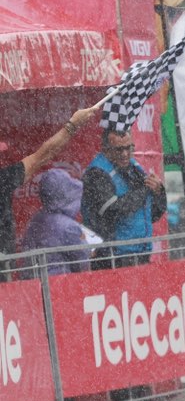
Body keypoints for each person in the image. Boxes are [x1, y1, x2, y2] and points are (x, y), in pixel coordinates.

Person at [0, 105, 99, 279]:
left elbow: (41, 156)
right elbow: (42, 155)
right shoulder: (4, 179)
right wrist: (72, 125)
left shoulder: (36, 220)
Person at [81, 129, 167, 269]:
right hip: (112, 259)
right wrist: (146, 190)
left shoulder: (133, 167)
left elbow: (153, 214)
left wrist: (159, 192)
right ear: (106, 149)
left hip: (140, 255)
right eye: (119, 149)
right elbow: (113, 211)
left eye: (129, 148)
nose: (125, 154)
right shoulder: (97, 173)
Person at [19, 168, 91, 276]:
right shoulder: (69, 227)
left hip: (33, 283)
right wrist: (90, 251)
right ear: (66, 193)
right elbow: (82, 261)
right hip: (60, 285)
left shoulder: (36, 219)